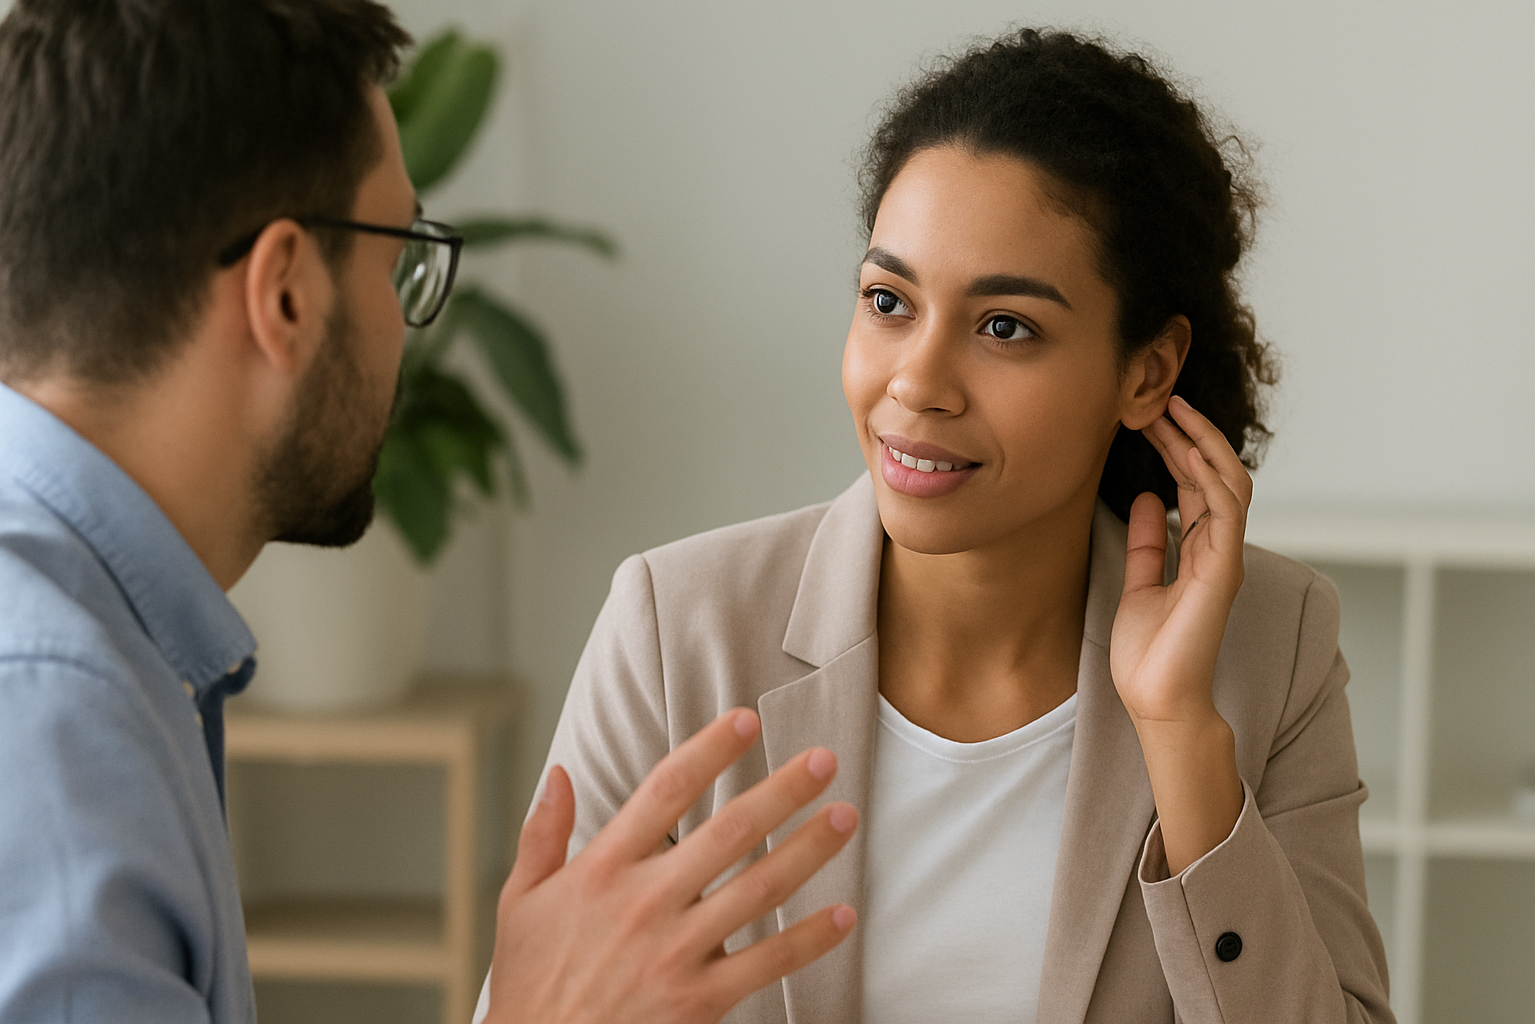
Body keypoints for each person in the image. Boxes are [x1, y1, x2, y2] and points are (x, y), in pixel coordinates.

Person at [0, 2, 857, 1023]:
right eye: (397, 252)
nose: (408, 319)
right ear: (283, 294)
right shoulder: (54, 710)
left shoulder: (92, 651)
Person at [529, 28, 1395, 1024]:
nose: (916, 383)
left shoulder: (1272, 645)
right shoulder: (677, 630)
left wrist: (1185, 744)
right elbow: (528, 1000)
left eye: (1004, 327)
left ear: (1145, 370)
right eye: (888, 301)